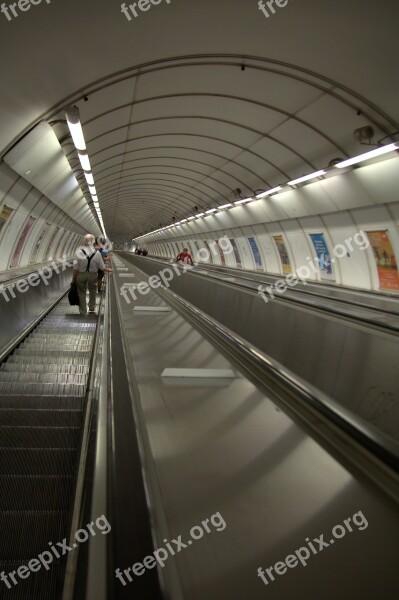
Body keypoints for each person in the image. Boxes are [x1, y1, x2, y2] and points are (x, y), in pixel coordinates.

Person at [72, 234, 112, 315]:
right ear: (93, 242)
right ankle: (91, 307)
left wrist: (73, 278)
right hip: (93, 275)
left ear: (84, 242)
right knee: (92, 290)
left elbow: (75, 268)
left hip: (81, 274)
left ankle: (83, 311)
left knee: (81, 292)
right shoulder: (97, 253)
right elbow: (102, 267)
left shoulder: (78, 253)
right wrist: (109, 269)